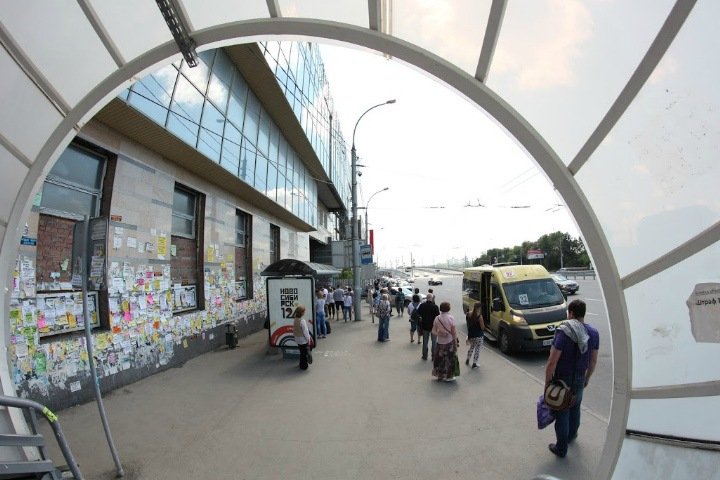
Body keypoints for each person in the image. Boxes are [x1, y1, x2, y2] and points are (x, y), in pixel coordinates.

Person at [544, 299, 600, 458]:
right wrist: (587, 377)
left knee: (562, 413)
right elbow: (593, 360)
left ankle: (561, 449)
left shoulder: (564, 332)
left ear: (571, 313)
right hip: (580, 378)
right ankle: (572, 435)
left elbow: (552, 362)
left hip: (562, 380)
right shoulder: (593, 333)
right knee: (575, 407)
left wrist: (547, 384)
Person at [431, 301, 458, 382]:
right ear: (448, 309)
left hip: (440, 343)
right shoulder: (451, 318)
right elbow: (453, 332)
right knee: (449, 359)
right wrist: (455, 344)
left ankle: (440, 375)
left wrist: (439, 334)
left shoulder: (437, 318)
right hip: (449, 342)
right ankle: (449, 376)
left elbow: (433, 331)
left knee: (440, 359)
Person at [417, 294, 440, 361]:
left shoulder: (422, 305)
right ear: (432, 298)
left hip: (424, 326)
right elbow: (438, 316)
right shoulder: (435, 306)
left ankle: (424, 356)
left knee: (425, 342)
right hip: (434, 327)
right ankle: (433, 356)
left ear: (426, 298)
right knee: (434, 342)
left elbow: (418, 313)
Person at [292, 305, 313, 370]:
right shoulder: (302, 321)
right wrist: (309, 339)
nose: (304, 313)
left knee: (302, 352)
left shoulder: (295, 319)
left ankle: (301, 364)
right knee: (304, 353)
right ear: (302, 312)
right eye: (304, 311)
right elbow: (305, 331)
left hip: (297, 338)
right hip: (302, 339)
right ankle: (303, 366)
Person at [465, 302, 485, 368]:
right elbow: (482, 327)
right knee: (477, 349)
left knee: (471, 347)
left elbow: (468, 325)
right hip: (479, 336)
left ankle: (468, 359)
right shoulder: (479, 316)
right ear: (479, 308)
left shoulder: (469, 314)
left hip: (472, 335)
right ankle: (474, 363)